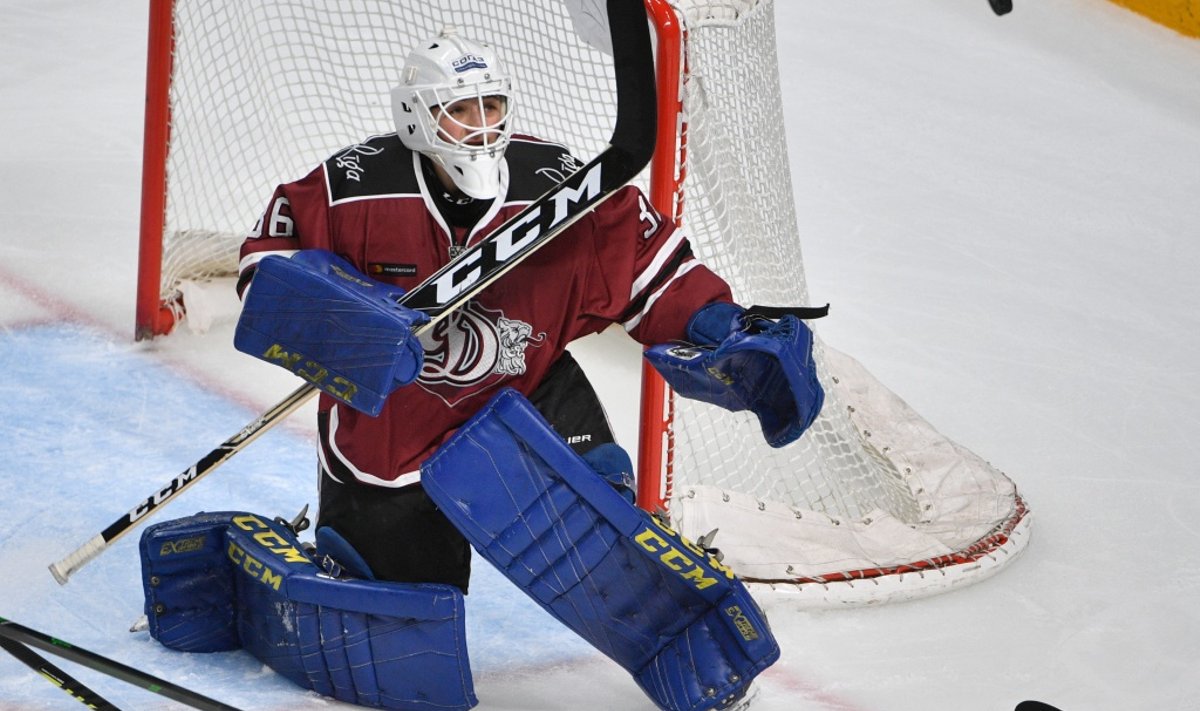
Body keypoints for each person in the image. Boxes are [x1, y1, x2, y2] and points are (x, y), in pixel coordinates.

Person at [236, 28, 809, 595]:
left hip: (527, 391)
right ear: (416, 116)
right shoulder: (351, 187)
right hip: (393, 425)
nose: (483, 123)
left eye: (492, 105)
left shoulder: (559, 185)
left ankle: (680, 613)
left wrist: (718, 323)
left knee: (608, 532)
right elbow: (266, 270)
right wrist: (352, 320)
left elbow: (645, 265)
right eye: (460, 109)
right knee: (400, 615)